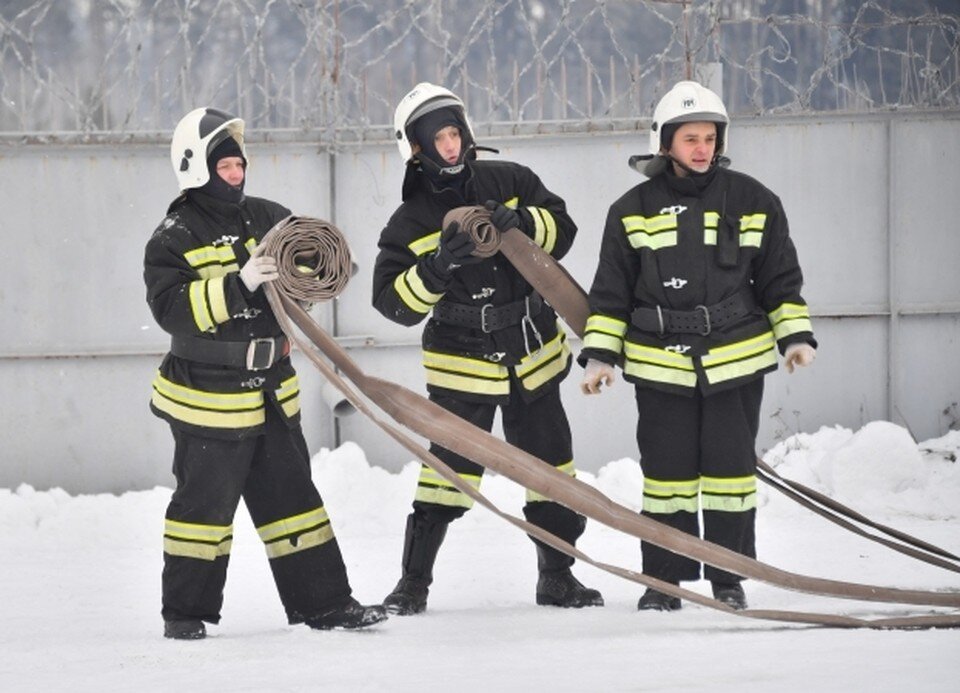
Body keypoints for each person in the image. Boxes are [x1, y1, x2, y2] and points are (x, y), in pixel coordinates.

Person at [143, 107, 387, 639]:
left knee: (294, 502)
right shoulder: (173, 235)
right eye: (224, 166)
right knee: (202, 512)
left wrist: (322, 271)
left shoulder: (271, 215)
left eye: (238, 164)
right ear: (195, 168)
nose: (235, 174)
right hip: (207, 399)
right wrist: (240, 282)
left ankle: (326, 605)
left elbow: (305, 283)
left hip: (272, 394)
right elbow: (171, 309)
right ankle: (184, 613)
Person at [579, 81, 816, 612]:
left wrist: (795, 336)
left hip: (737, 360)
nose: (703, 147)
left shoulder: (755, 200)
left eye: (710, 137)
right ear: (665, 142)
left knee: (731, 475)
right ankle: (664, 582)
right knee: (667, 478)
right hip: (660, 365)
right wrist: (600, 357)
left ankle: (729, 577)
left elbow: (781, 279)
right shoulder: (631, 209)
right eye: (691, 138)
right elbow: (611, 292)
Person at [372, 82, 603, 614]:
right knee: (446, 475)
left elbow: (563, 229)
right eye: (438, 139)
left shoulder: (512, 181)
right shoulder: (410, 220)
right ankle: (413, 585)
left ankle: (557, 578)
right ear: (416, 149)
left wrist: (524, 222)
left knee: (551, 469)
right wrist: (437, 265)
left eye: (455, 133)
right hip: (462, 367)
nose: (450, 146)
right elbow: (393, 304)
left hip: (534, 356)